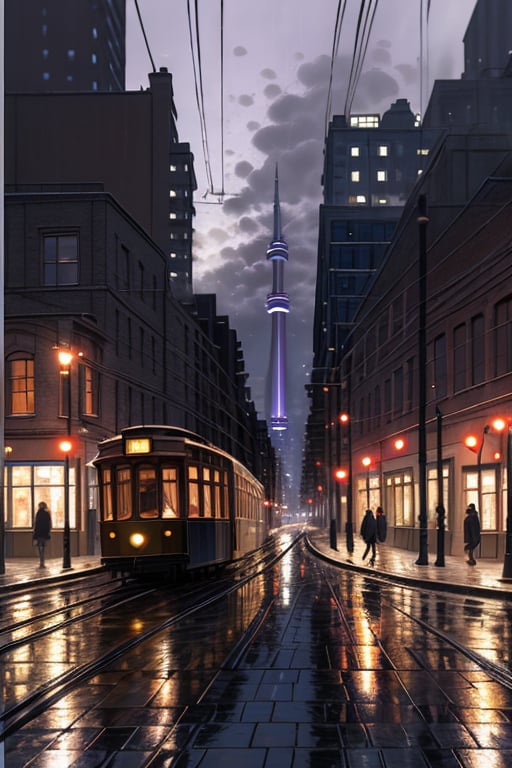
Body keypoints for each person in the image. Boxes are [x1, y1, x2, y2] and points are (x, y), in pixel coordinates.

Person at [33, 501, 52, 568]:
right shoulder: (47, 513)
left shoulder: (38, 513)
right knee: (43, 547)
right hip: (44, 533)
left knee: (39, 547)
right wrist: (49, 532)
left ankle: (41, 561)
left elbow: (36, 525)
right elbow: (49, 524)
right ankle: (42, 561)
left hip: (39, 533)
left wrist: (34, 535)